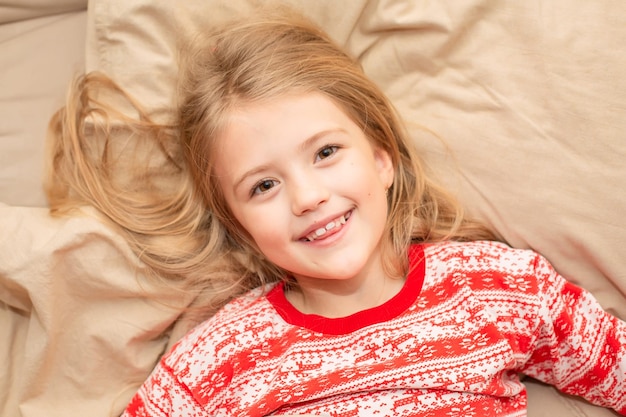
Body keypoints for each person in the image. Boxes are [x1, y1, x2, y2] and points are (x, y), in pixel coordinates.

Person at [47, 9, 625, 417]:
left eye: (326, 153)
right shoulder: (220, 357)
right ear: (238, 223)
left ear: (382, 158)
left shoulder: (498, 288)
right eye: (264, 185)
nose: (307, 197)